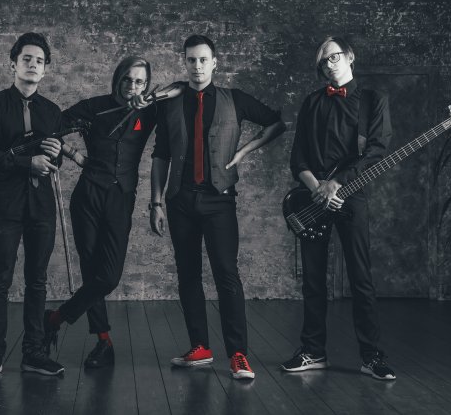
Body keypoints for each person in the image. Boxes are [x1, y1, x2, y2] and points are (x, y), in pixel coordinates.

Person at [149, 35, 286, 380]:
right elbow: (161, 156)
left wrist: (244, 151)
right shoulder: (170, 104)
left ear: (214, 63)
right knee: (188, 274)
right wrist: (156, 202)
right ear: (184, 62)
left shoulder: (234, 99)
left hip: (219, 200)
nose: (197, 66)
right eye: (191, 60)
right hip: (180, 200)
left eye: (203, 60)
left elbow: (276, 122)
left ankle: (238, 354)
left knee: (226, 274)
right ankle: (200, 347)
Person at [282, 36, 395, 380]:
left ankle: (371, 357)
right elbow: (298, 157)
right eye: (322, 62)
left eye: (333, 57)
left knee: (361, 278)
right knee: (313, 279)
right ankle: (313, 352)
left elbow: (377, 150)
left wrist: (338, 183)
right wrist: (318, 188)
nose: (327, 65)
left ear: (349, 56)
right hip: (314, 196)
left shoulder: (373, 100)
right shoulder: (312, 102)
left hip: (352, 195)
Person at [43, 56, 156, 369]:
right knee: (92, 271)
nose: (132, 86)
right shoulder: (94, 107)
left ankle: (54, 319)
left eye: (140, 81)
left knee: (108, 276)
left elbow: (178, 90)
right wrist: (74, 154)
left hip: (122, 198)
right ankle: (103, 341)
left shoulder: (150, 111)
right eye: (127, 79)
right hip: (88, 195)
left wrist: (152, 99)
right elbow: (51, 128)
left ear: (146, 85)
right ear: (118, 79)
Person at [0, 32, 64, 379]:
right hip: (5, 205)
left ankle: (34, 353)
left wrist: (55, 155)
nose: (33, 65)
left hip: (41, 206)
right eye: (27, 59)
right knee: (0, 279)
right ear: (13, 64)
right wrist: (27, 163)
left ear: (45, 69)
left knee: (37, 281)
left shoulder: (52, 111)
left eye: (39, 61)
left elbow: (55, 162)